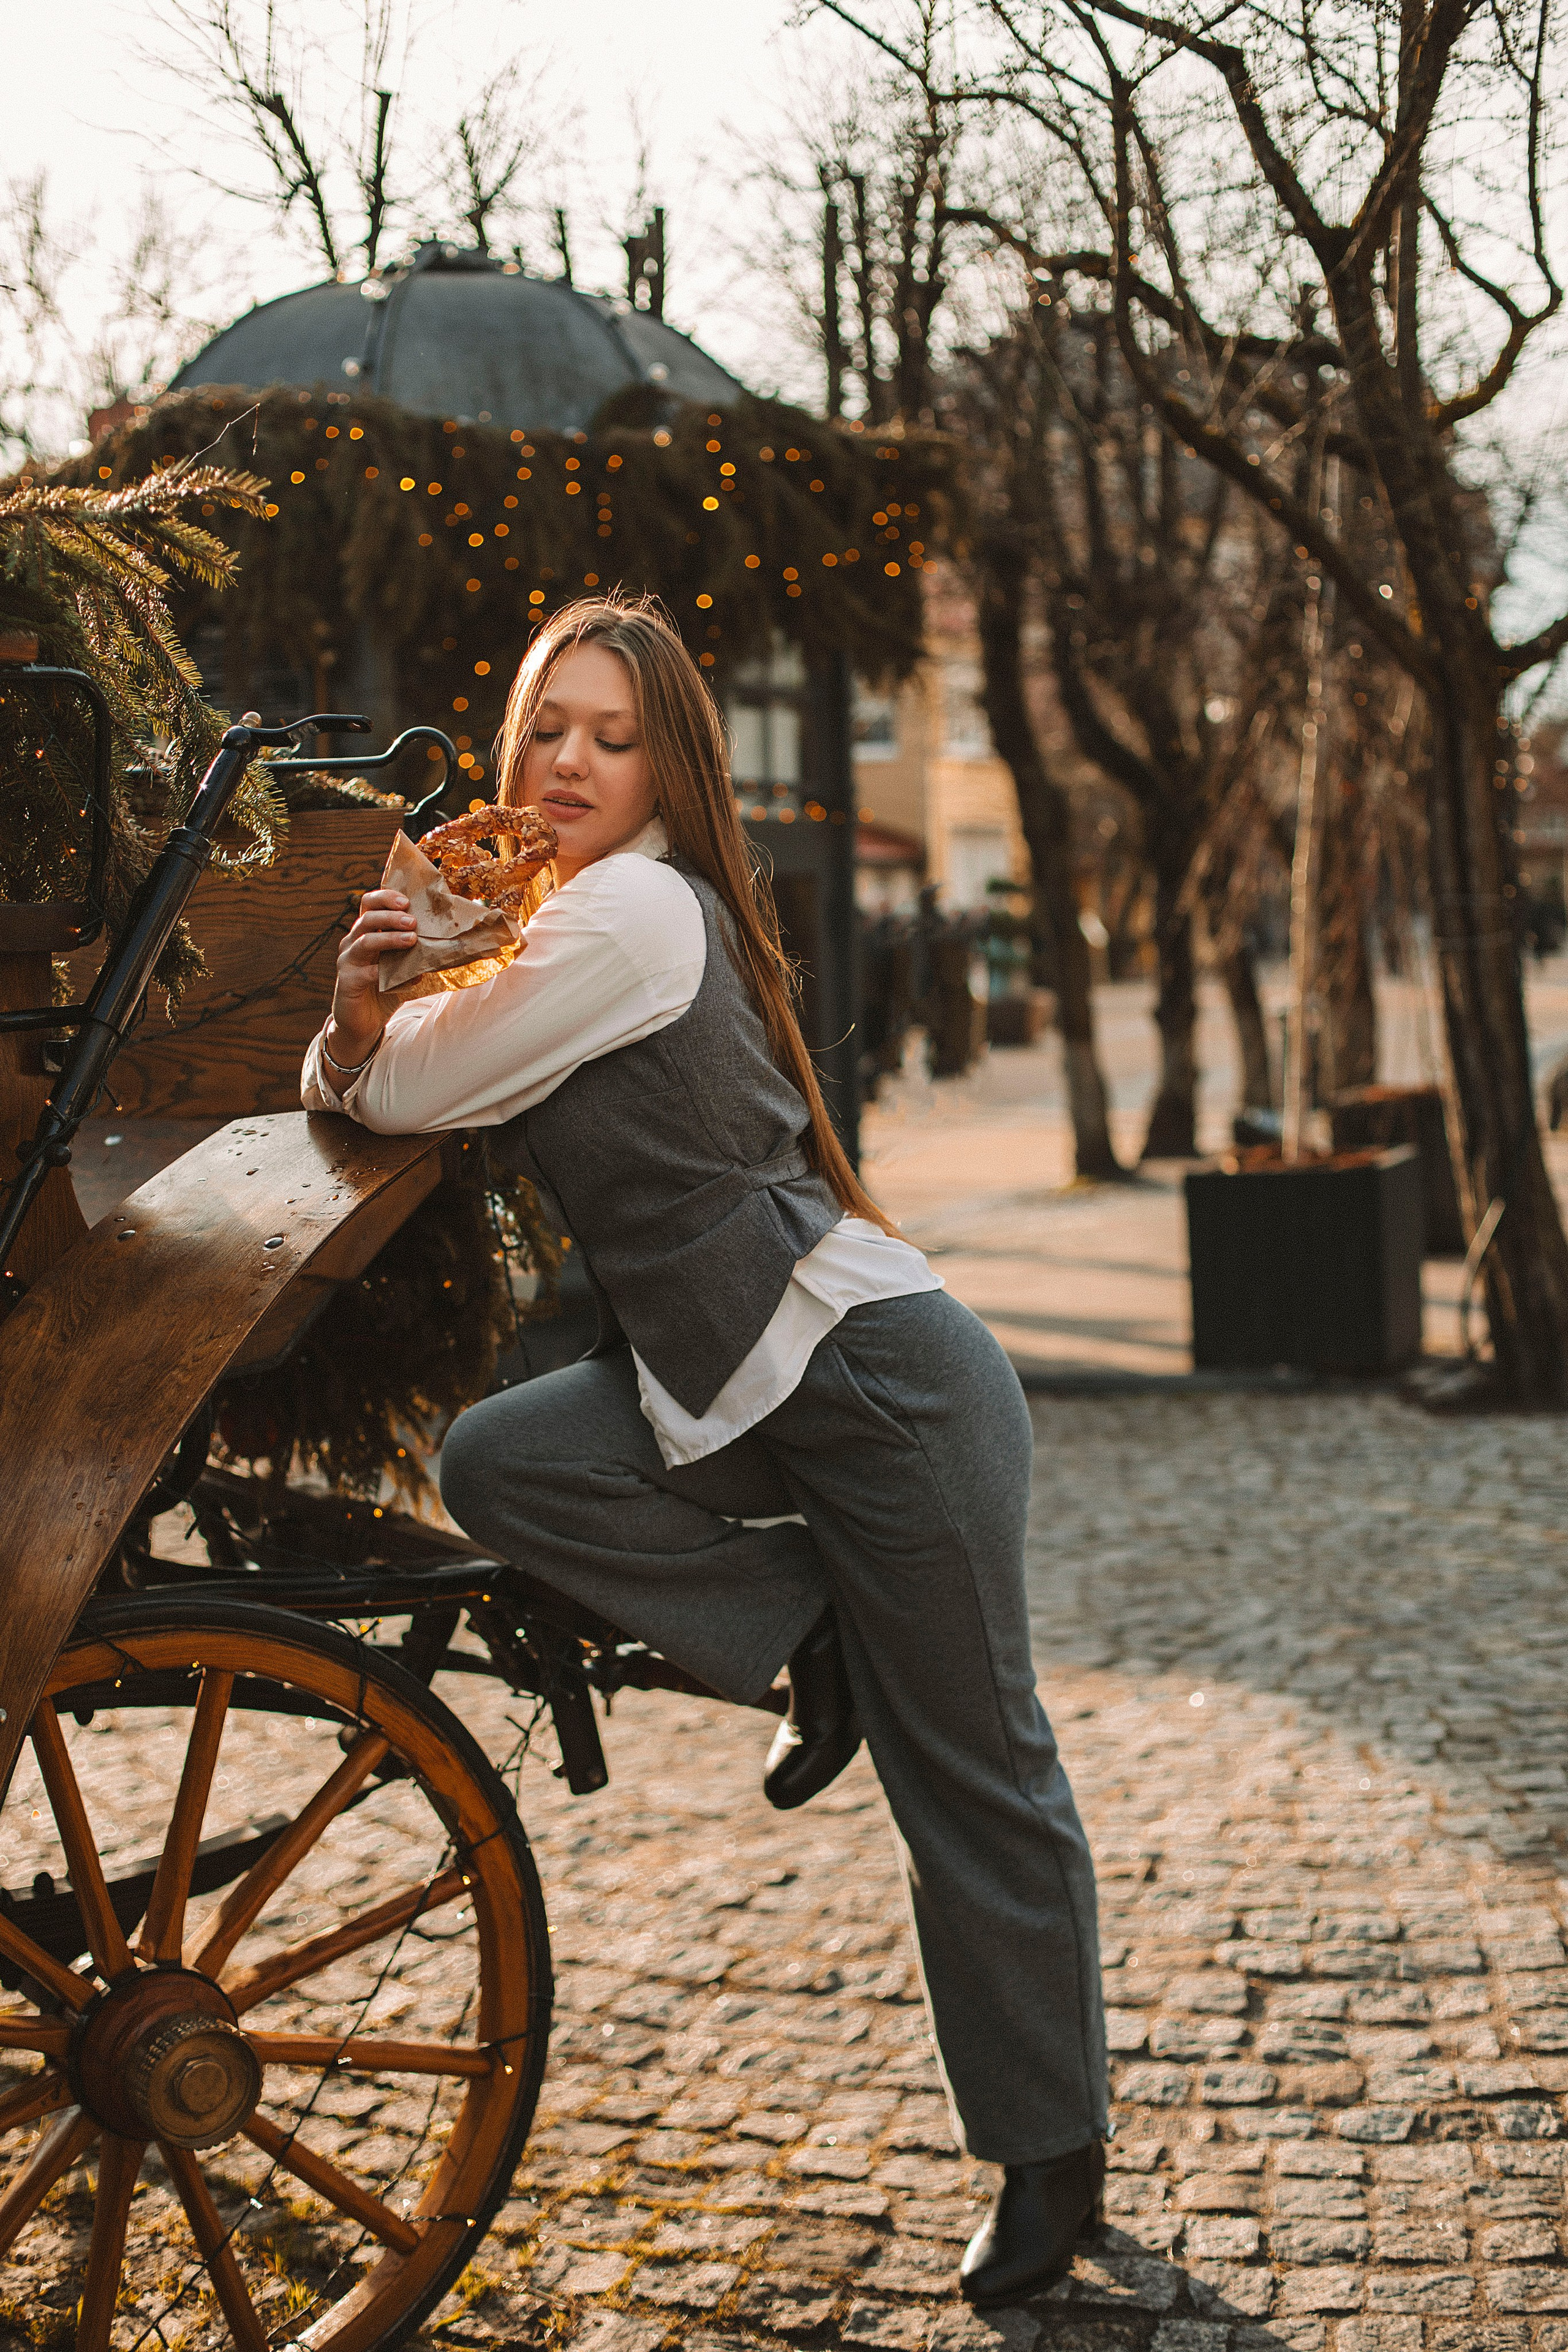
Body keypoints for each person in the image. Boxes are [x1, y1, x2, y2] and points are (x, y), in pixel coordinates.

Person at [302, 595, 1108, 2305]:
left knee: (970, 1774)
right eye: (548, 731)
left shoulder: (634, 917)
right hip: (715, 1389)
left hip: (882, 1388)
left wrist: (376, 1027)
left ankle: (1053, 2158)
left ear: (670, 760)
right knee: (510, 1464)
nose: (573, 763)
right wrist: (379, 1009)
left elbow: (407, 1090)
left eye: (613, 735)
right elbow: (393, 1068)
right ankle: (812, 1637)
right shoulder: (556, 917)